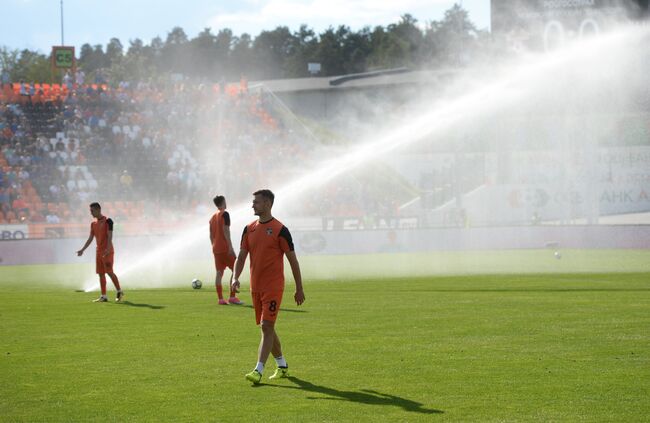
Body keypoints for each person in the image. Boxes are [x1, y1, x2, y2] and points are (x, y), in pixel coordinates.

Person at [233, 189, 305, 384]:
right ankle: (282, 365)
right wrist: (235, 277)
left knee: (266, 326)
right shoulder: (249, 229)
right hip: (255, 287)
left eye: (256, 202)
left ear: (267, 204)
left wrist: (299, 288)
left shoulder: (281, 230)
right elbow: (241, 256)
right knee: (267, 329)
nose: (252, 205)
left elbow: (293, 261)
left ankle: (258, 370)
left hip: (273, 287)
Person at [76, 202, 123, 302]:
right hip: (99, 252)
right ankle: (104, 296)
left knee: (109, 272)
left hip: (107, 251)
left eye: (92, 211)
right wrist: (82, 249)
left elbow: (110, 237)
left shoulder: (108, 221)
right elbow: (90, 238)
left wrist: (108, 249)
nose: (91, 213)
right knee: (101, 274)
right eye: (90, 211)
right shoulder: (93, 224)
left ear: (98, 210)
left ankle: (119, 291)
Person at [209, 195, 242, 305]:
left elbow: (211, 235)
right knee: (236, 269)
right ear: (223, 202)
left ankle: (220, 299)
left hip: (216, 249)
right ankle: (232, 297)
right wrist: (230, 247)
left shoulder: (212, 217)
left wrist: (213, 246)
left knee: (219, 273)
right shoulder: (225, 214)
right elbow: (226, 230)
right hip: (225, 248)